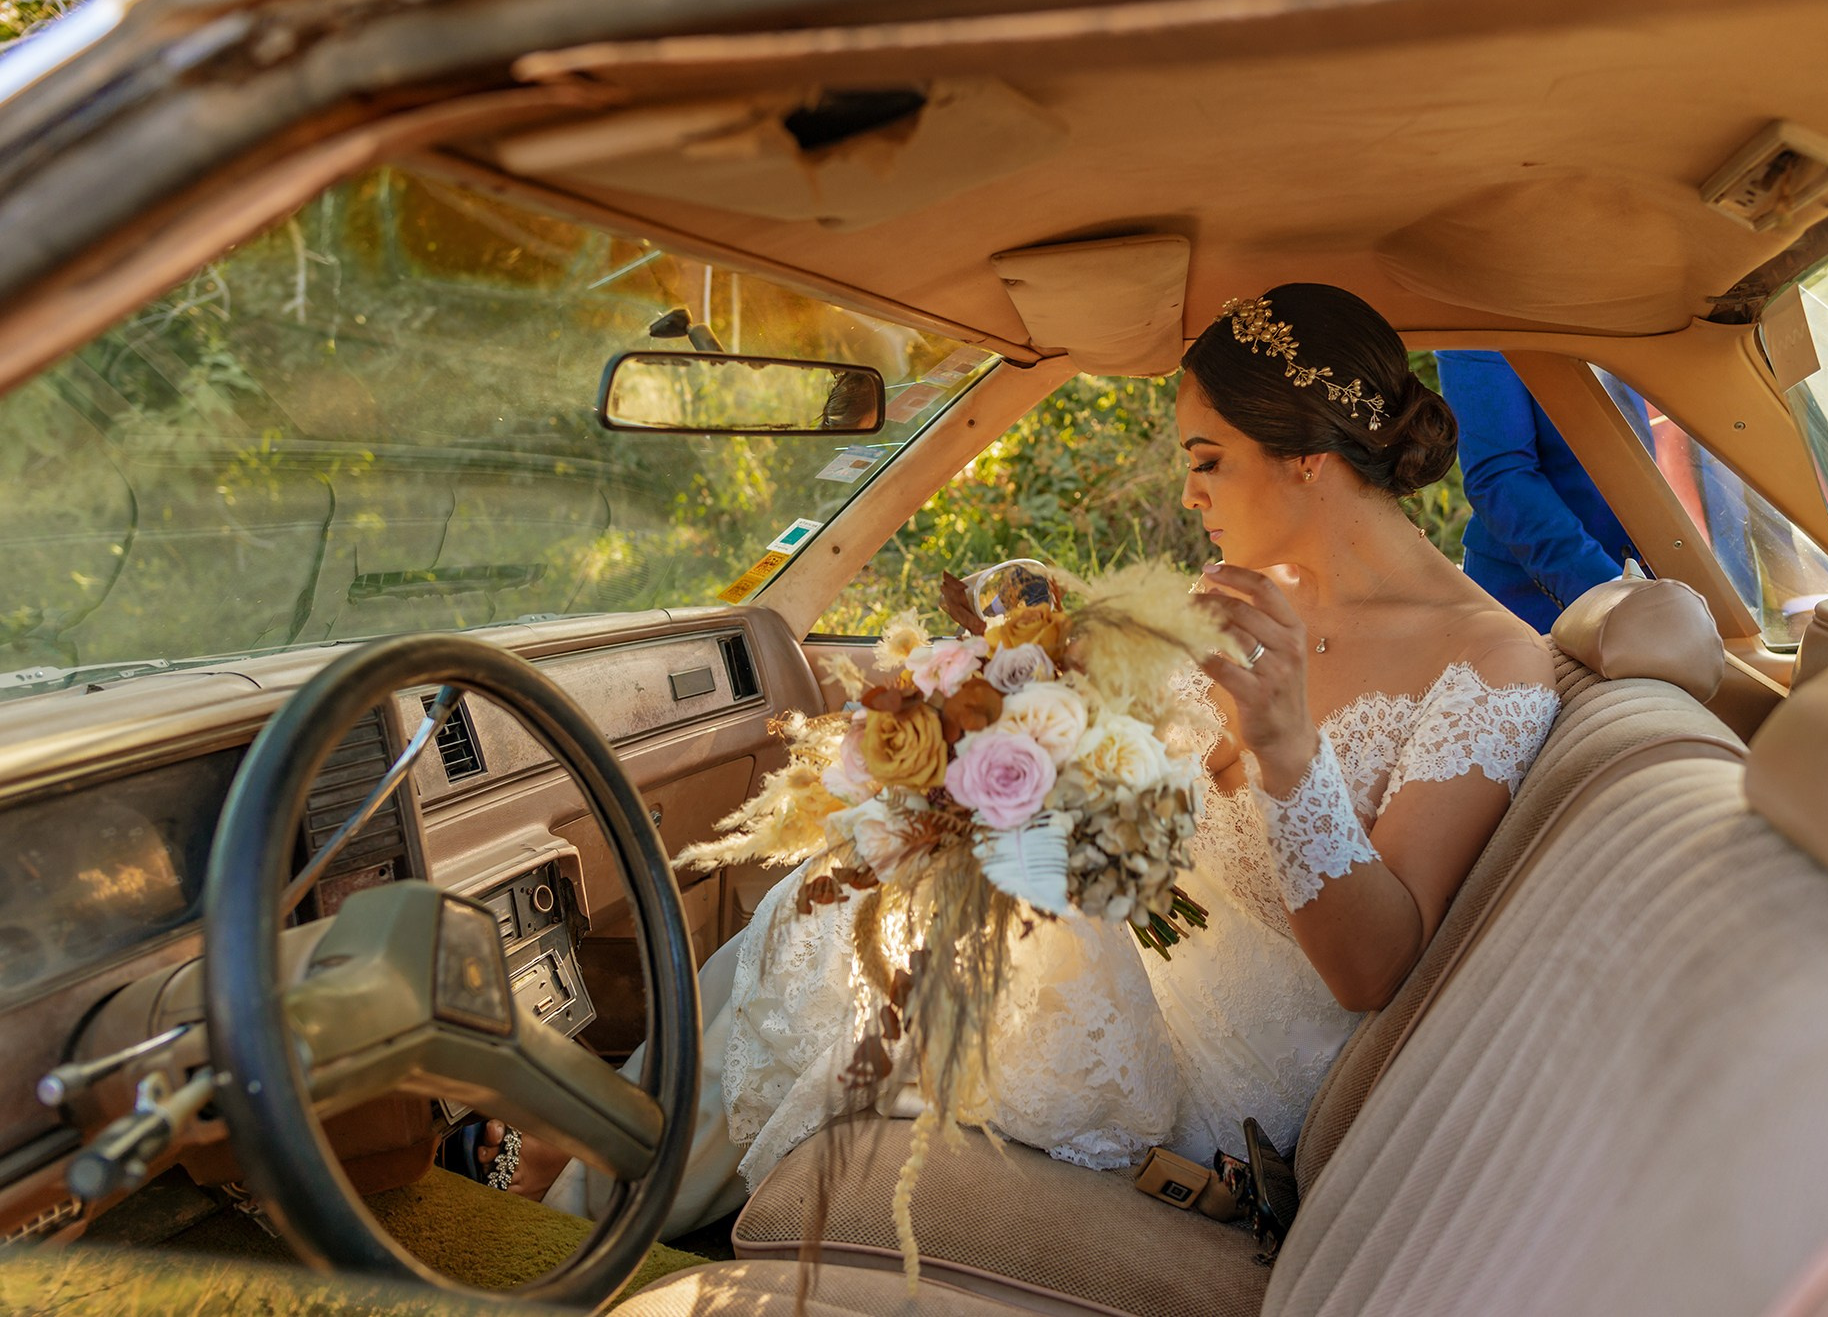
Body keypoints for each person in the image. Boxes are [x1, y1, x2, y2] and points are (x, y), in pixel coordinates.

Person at [551, 284, 1561, 1235]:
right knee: (836, 902)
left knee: (861, 965)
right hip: (1135, 937)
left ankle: (572, 1215)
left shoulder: (1489, 659)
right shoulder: (1251, 593)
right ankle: (576, 1190)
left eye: (1208, 460)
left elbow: (1373, 968)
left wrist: (1291, 755)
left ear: (1305, 454)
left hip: (1216, 1049)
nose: (1189, 491)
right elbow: (1157, 782)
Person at [1435, 349, 1647, 632]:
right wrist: (1609, 593)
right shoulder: (1480, 327)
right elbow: (1501, 474)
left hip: (1691, 580)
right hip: (1542, 603)